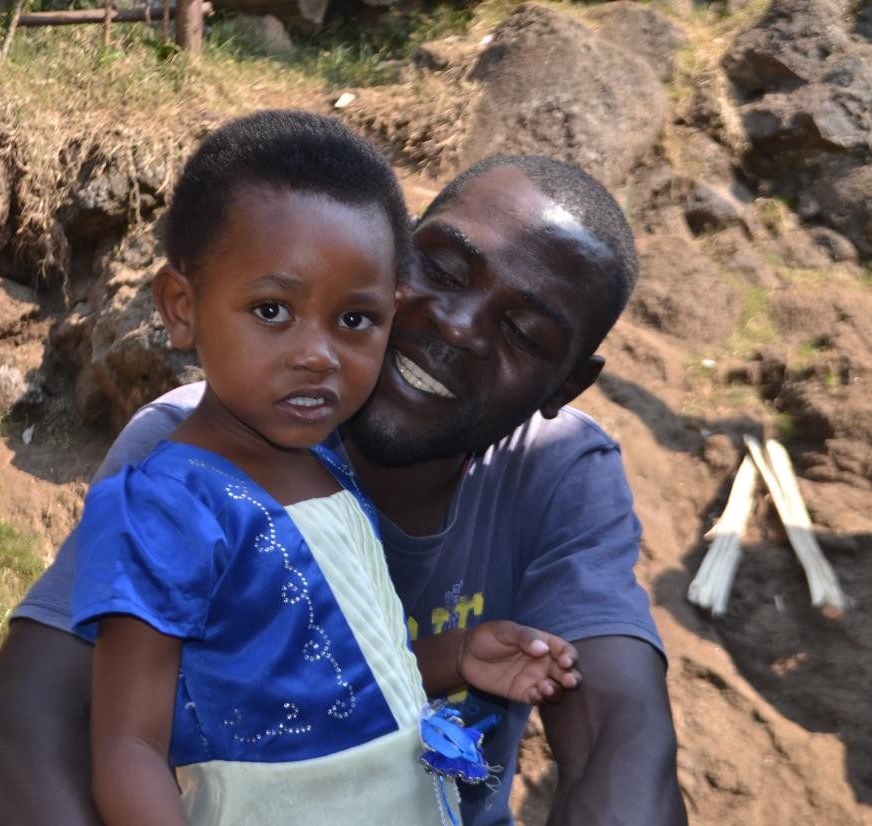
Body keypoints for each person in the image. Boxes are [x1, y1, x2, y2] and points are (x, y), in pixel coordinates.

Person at [0, 150, 688, 826]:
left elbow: (622, 741)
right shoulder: (196, 459)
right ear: (390, 256)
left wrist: (451, 658)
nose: (459, 327)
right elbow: (21, 735)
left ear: (566, 386)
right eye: (441, 270)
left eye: (524, 332)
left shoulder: (559, 472)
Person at [70, 109, 581, 826]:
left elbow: (342, 668)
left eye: (355, 321)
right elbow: (127, 747)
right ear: (181, 309)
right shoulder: (169, 505)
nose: (319, 353)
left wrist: (457, 656)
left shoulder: (328, 469)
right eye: (273, 309)